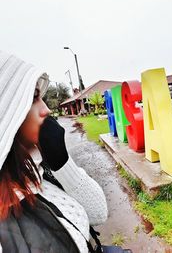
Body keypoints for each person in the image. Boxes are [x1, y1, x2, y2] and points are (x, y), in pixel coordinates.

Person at [0, 51, 108, 253]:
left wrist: (62, 163)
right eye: (33, 99)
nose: (47, 110)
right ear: (6, 112)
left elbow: (99, 213)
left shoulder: (39, 169)